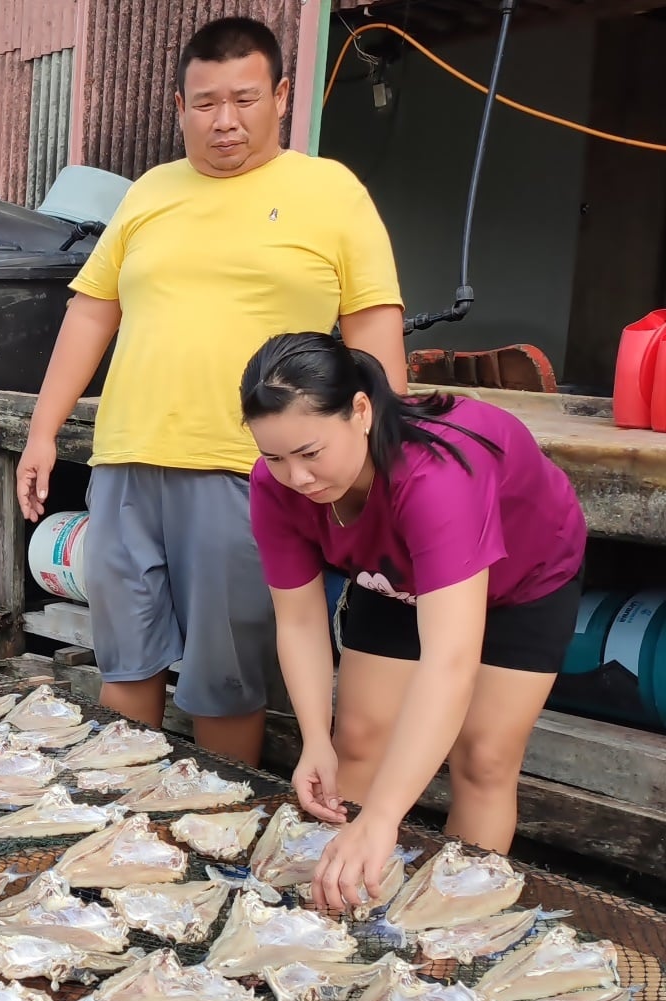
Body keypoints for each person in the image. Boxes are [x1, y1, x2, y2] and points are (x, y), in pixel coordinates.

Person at [16, 16, 406, 767]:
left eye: (245, 99)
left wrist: (381, 461)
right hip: (127, 463)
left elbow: (374, 330)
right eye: (205, 103)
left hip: (250, 472)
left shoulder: (329, 191)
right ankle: (128, 826)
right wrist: (43, 431)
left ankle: (215, 831)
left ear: (282, 95)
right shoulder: (152, 193)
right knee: (126, 663)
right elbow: (93, 311)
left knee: (224, 683)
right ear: (179, 106)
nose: (225, 121)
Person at [243, 331, 587, 914]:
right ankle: (334, 912)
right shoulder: (275, 487)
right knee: (355, 742)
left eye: (309, 453)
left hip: (521, 581)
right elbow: (299, 620)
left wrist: (382, 816)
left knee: (483, 758)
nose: (296, 477)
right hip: (390, 575)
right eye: (275, 457)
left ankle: (453, 925)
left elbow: (449, 664)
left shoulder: (435, 477)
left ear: (360, 411)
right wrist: (314, 741)